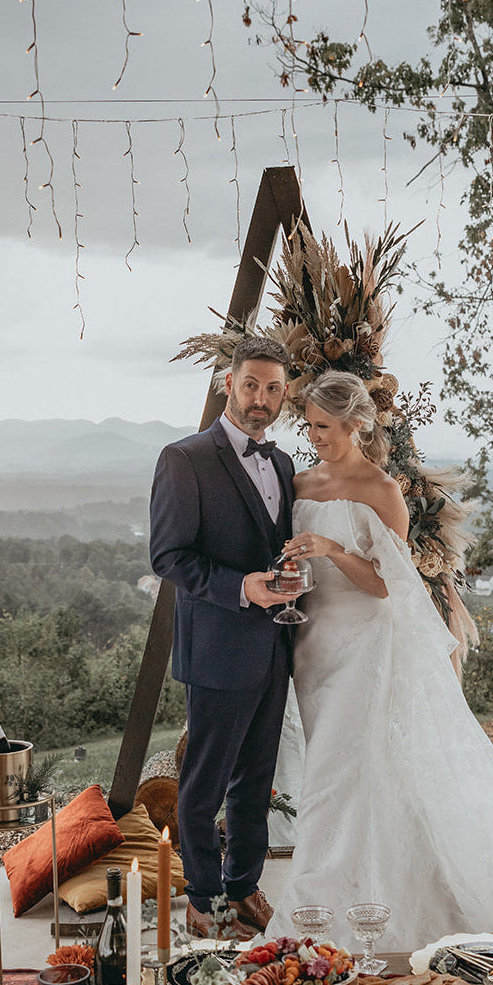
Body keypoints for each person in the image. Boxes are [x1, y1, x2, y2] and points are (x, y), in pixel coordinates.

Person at [277, 370, 493, 951]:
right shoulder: (303, 481)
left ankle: (327, 900)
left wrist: (333, 549)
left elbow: (388, 585)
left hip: (364, 644)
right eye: (309, 426)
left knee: (343, 768)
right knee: (327, 768)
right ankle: (346, 881)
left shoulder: (382, 490)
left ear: (357, 425)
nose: (314, 438)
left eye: (326, 428)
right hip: (312, 641)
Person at [149, 337, 296, 940]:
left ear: (285, 394)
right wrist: (244, 589)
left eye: (272, 388)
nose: (260, 399)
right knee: (203, 784)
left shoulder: (284, 464)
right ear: (227, 384)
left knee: (256, 781)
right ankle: (204, 898)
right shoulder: (184, 459)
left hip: (274, 650)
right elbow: (168, 556)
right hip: (216, 649)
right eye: (250, 385)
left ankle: (244, 889)